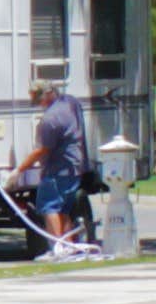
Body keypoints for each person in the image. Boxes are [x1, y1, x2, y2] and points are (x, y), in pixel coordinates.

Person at [23, 75, 100, 257]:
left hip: (58, 169)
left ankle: (57, 248)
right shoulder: (71, 103)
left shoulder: (50, 119)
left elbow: (42, 150)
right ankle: (68, 245)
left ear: (49, 93)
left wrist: (19, 170)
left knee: (49, 208)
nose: (39, 103)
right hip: (75, 167)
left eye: (40, 98)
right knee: (64, 210)